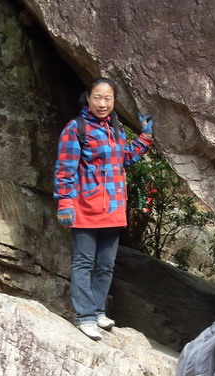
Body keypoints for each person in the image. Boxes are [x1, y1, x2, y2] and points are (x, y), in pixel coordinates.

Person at [54, 77, 154, 340]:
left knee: (106, 265)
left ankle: (98, 310)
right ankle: (84, 316)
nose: (103, 103)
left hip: (112, 209)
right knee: (84, 262)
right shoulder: (76, 128)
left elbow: (126, 158)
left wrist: (145, 137)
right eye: (97, 97)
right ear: (88, 98)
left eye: (108, 98)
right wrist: (65, 202)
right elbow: (65, 170)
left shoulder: (115, 130)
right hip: (86, 207)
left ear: (114, 101)